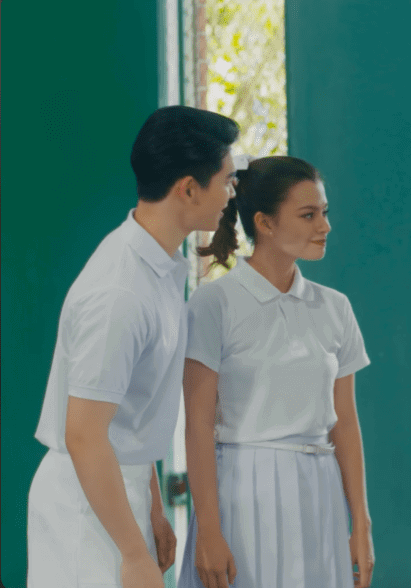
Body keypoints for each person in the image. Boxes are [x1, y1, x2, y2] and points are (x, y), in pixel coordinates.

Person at [27, 106, 239, 588]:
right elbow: (84, 434)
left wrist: (154, 510)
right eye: (226, 180)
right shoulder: (121, 291)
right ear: (188, 188)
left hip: (119, 487)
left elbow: (132, 412)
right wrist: (133, 553)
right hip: (86, 505)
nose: (232, 193)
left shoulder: (161, 267)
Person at [177, 156, 374, 588]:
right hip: (243, 495)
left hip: (319, 492)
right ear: (264, 223)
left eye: (324, 213)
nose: (325, 226)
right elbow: (197, 425)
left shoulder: (335, 307)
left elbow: (345, 423)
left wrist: (360, 521)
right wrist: (208, 528)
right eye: (308, 215)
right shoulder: (214, 304)